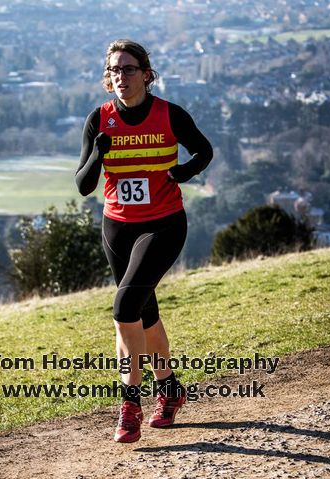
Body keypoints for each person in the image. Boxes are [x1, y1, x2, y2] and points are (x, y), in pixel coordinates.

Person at [76, 39, 213, 443]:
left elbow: (203, 151)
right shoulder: (98, 119)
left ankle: (129, 404)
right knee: (143, 311)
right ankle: (170, 390)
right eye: (115, 70)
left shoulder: (168, 113)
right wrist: (98, 155)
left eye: (129, 69)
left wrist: (182, 174)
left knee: (123, 306)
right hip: (117, 227)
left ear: (146, 74)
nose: (121, 76)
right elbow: (84, 185)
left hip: (164, 224)